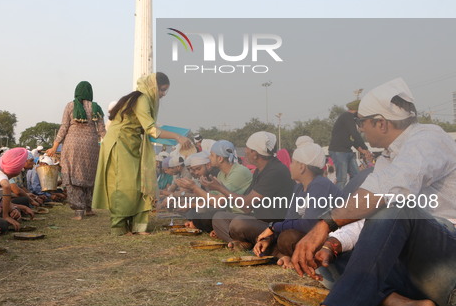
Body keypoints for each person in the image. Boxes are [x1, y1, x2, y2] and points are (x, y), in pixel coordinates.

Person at [291, 78, 456, 306]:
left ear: (381, 124)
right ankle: (406, 305)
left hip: (447, 267)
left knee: (397, 209)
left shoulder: (428, 138)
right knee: (333, 255)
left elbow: (389, 198)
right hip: (418, 275)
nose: (360, 129)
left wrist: (324, 224)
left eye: (361, 123)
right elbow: (371, 214)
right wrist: (333, 241)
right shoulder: (388, 158)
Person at [92, 72, 193, 235]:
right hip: (119, 143)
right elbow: (151, 129)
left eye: (166, 91)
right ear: (153, 87)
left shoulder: (142, 99)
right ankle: (119, 227)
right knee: (125, 185)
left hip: (132, 143)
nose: (163, 94)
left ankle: (137, 225)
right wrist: (177, 136)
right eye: (162, 90)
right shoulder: (142, 99)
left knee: (140, 183)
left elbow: (149, 127)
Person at [253, 140, 342, 258]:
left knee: (288, 238)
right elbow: (289, 219)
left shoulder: (320, 184)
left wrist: (273, 227)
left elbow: (309, 224)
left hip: (329, 238)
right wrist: (270, 237)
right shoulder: (299, 187)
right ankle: (277, 253)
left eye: (292, 163)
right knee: (272, 235)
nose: (289, 166)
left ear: (301, 167)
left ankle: (282, 255)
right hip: (307, 234)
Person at [207, 132, 295, 250]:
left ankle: (256, 243)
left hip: (274, 226)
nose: (245, 151)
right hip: (259, 220)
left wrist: (220, 188)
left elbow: (246, 204)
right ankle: (238, 243)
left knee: (238, 223)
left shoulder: (275, 171)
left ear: (255, 153)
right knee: (219, 217)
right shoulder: (261, 170)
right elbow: (246, 207)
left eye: (247, 148)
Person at [46, 81, 107, 220]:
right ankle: (89, 208)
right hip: (91, 146)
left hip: (72, 145)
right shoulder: (96, 107)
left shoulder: (70, 106)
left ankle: (79, 211)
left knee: (73, 176)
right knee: (89, 176)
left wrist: (55, 146)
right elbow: (102, 131)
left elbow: (63, 127)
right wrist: (111, 146)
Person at [328, 99, 372, 188]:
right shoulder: (347, 116)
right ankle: (338, 200)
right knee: (342, 179)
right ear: (357, 110)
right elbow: (355, 134)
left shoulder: (352, 119)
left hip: (347, 151)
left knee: (356, 176)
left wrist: (363, 151)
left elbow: (353, 140)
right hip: (339, 151)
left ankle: (352, 195)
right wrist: (365, 148)